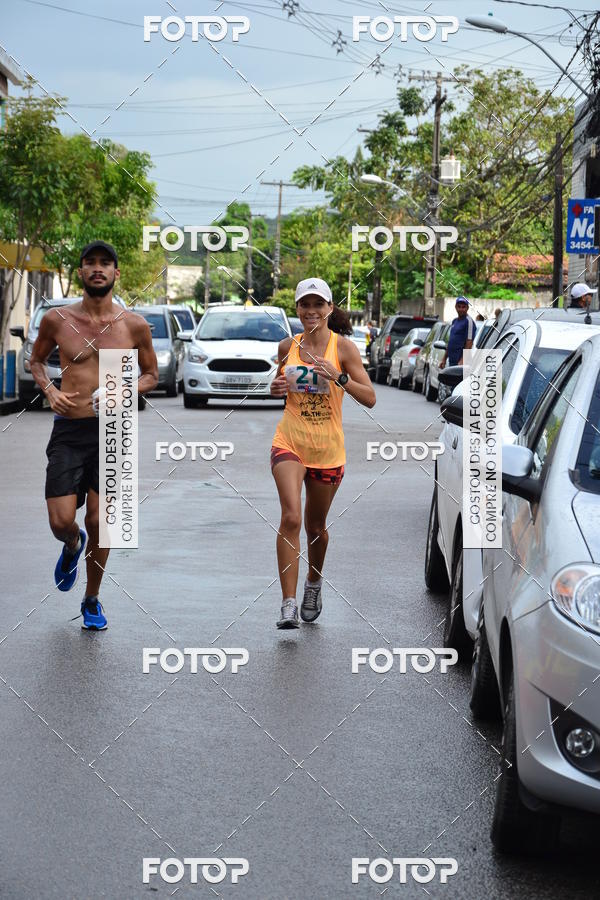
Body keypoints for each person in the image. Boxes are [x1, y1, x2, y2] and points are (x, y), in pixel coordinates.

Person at [29, 241, 158, 630]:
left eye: (106, 264)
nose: (98, 269)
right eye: (90, 264)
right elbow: (35, 360)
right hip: (70, 429)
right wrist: (50, 391)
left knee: (103, 521)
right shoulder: (58, 320)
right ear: (81, 273)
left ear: (117, 274)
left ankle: (91, 599)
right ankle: (71, 542)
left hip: (114, 428)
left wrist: (129, 390)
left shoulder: (134, 325)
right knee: (61, 520)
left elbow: (151, 374)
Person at [269, 278, 376, 629]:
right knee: (291, 518)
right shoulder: (288, 346)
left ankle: (313, 583)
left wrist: (339, 377)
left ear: (330, 308)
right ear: (297, 309)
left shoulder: (343, 349)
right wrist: (275, 387)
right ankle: (287, 604)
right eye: (304, 305)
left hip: (328, 449)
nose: (311, 311)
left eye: (318, 304)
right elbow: (277, 387)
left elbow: (370, 398)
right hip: (290, 441)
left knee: (316, 527)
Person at [440, 296, 476, 369]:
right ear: (455, 307)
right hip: (452, 360)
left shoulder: (469, 321)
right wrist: (444, 359)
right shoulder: (454, 321)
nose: (461, 309)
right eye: (459, 306)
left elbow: (469, 342)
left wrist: (463, 360)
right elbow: (451, 342)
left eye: (463, 307)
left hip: (460, 362)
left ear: (467, 308)